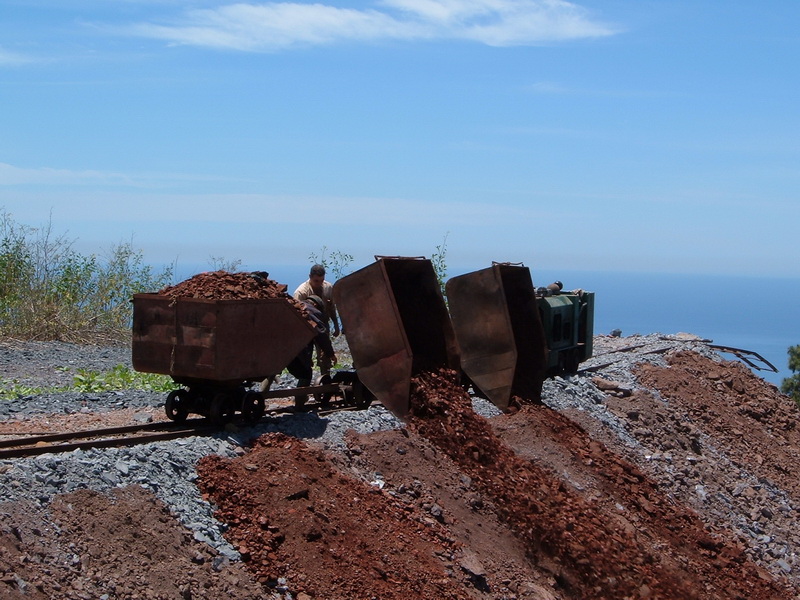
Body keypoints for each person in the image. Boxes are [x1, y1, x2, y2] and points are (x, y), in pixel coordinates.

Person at [285, 295, 337, 409]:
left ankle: (262, 397)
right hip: (297, 348)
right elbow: (321, 335)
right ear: (315, 304)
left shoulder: (292, 306)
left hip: (280, 346)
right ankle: (299, 405)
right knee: (306, 373)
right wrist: (330, 354)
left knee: (270, 373)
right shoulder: (312, 310)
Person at [294, 264, 340, 376]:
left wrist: (336, 325)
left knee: (324, 356)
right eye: (316, 281)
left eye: (321, 280)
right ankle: (304, 385)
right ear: (310, 277)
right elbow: (295, 315)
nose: (319, 284)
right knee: (305, 358)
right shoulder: (301, 292)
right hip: (306, 329)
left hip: (323, 323)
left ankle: (325, 380)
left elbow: (331, 307)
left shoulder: (328, 287)